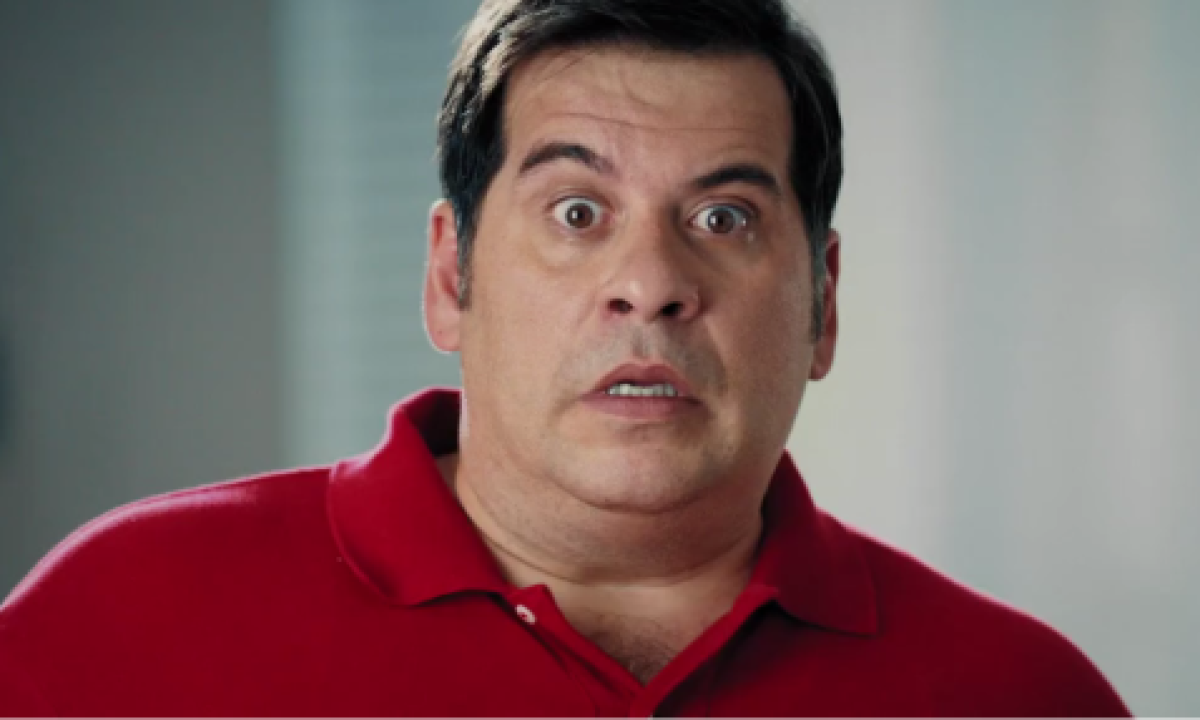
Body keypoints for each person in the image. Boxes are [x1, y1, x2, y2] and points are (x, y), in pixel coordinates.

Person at [0, 0, 1130, 716]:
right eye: (578, 211)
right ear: (453, 277)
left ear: (823, 304)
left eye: (725, 217)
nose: (651, 282)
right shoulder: (114, 622)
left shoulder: (1023, 695)